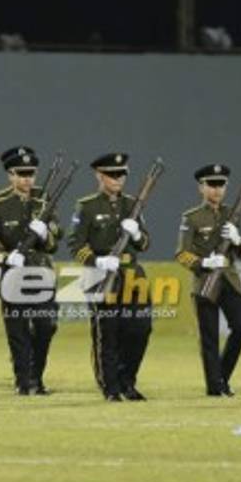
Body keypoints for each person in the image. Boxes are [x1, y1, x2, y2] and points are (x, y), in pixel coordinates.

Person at [68, 152, 153, 401]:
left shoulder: (132, 204)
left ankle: (128, 381)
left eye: (122, 174)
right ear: (99, 175)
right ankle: (111, 386)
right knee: (108, 333)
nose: (118, 179)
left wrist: (137, 235)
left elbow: (146, 244)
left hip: (132, 275)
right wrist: (98, 260)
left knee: (139, 330)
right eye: (112, 175)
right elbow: (76, 246)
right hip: (100, 275)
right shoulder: (87, 206)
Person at [0, 146, 60, 395]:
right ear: (10, 175)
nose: (27, 179)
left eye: (31, 174)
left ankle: (36, 375)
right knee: (18, 329)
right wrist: (6, 257)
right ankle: (24, 381)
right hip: (13, 275)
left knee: (46, 325)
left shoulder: (44, 199)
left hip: (41, 272)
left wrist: (46, 233)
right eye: (21, 174)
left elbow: (56, 239)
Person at [175, 163, 241, 396]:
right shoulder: (192, 218)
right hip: (205, 281)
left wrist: (237, 240)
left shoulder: (232, 214)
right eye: (212, 185)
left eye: (221, 185)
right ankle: (215, 387)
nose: (217, 190)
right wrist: (204, 263)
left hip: (230, 280)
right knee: (209, 338)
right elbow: (182, 254)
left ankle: (222, 377)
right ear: (201, 187)